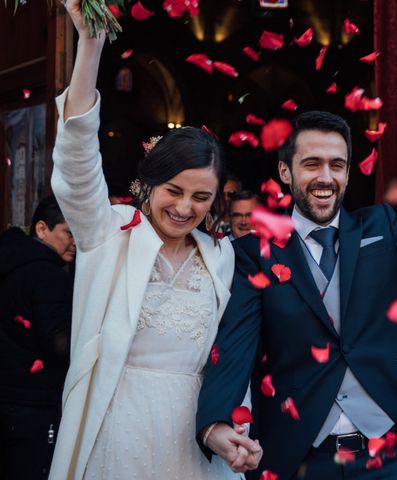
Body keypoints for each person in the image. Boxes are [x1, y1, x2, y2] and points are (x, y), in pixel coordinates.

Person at [196, 105, 397, 479]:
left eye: (337, 165)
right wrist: (214, 425)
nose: (326, 177)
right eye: (312, 164)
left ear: (349, 172)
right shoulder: (254, 255)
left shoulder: (381, 228)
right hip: (302, 461)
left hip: (388, 458)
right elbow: (234, 347)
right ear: (285, 171)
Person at [47, 1, 261, 478]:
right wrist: (90, 45)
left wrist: (225, 429)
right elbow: (77, 163)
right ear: (147, 184)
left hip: (196, 436)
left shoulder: (221, 257)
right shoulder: (108, 232)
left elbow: (230, 354)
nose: (186, 208)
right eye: (174, 191)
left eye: (202, 196)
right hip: (118, 425)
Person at [0, 196, 75, 480]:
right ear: (42, 229)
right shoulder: (47, 273)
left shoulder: (11, 261)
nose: (75, 243)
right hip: (32, 400)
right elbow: (58, 344)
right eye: (68, 232)